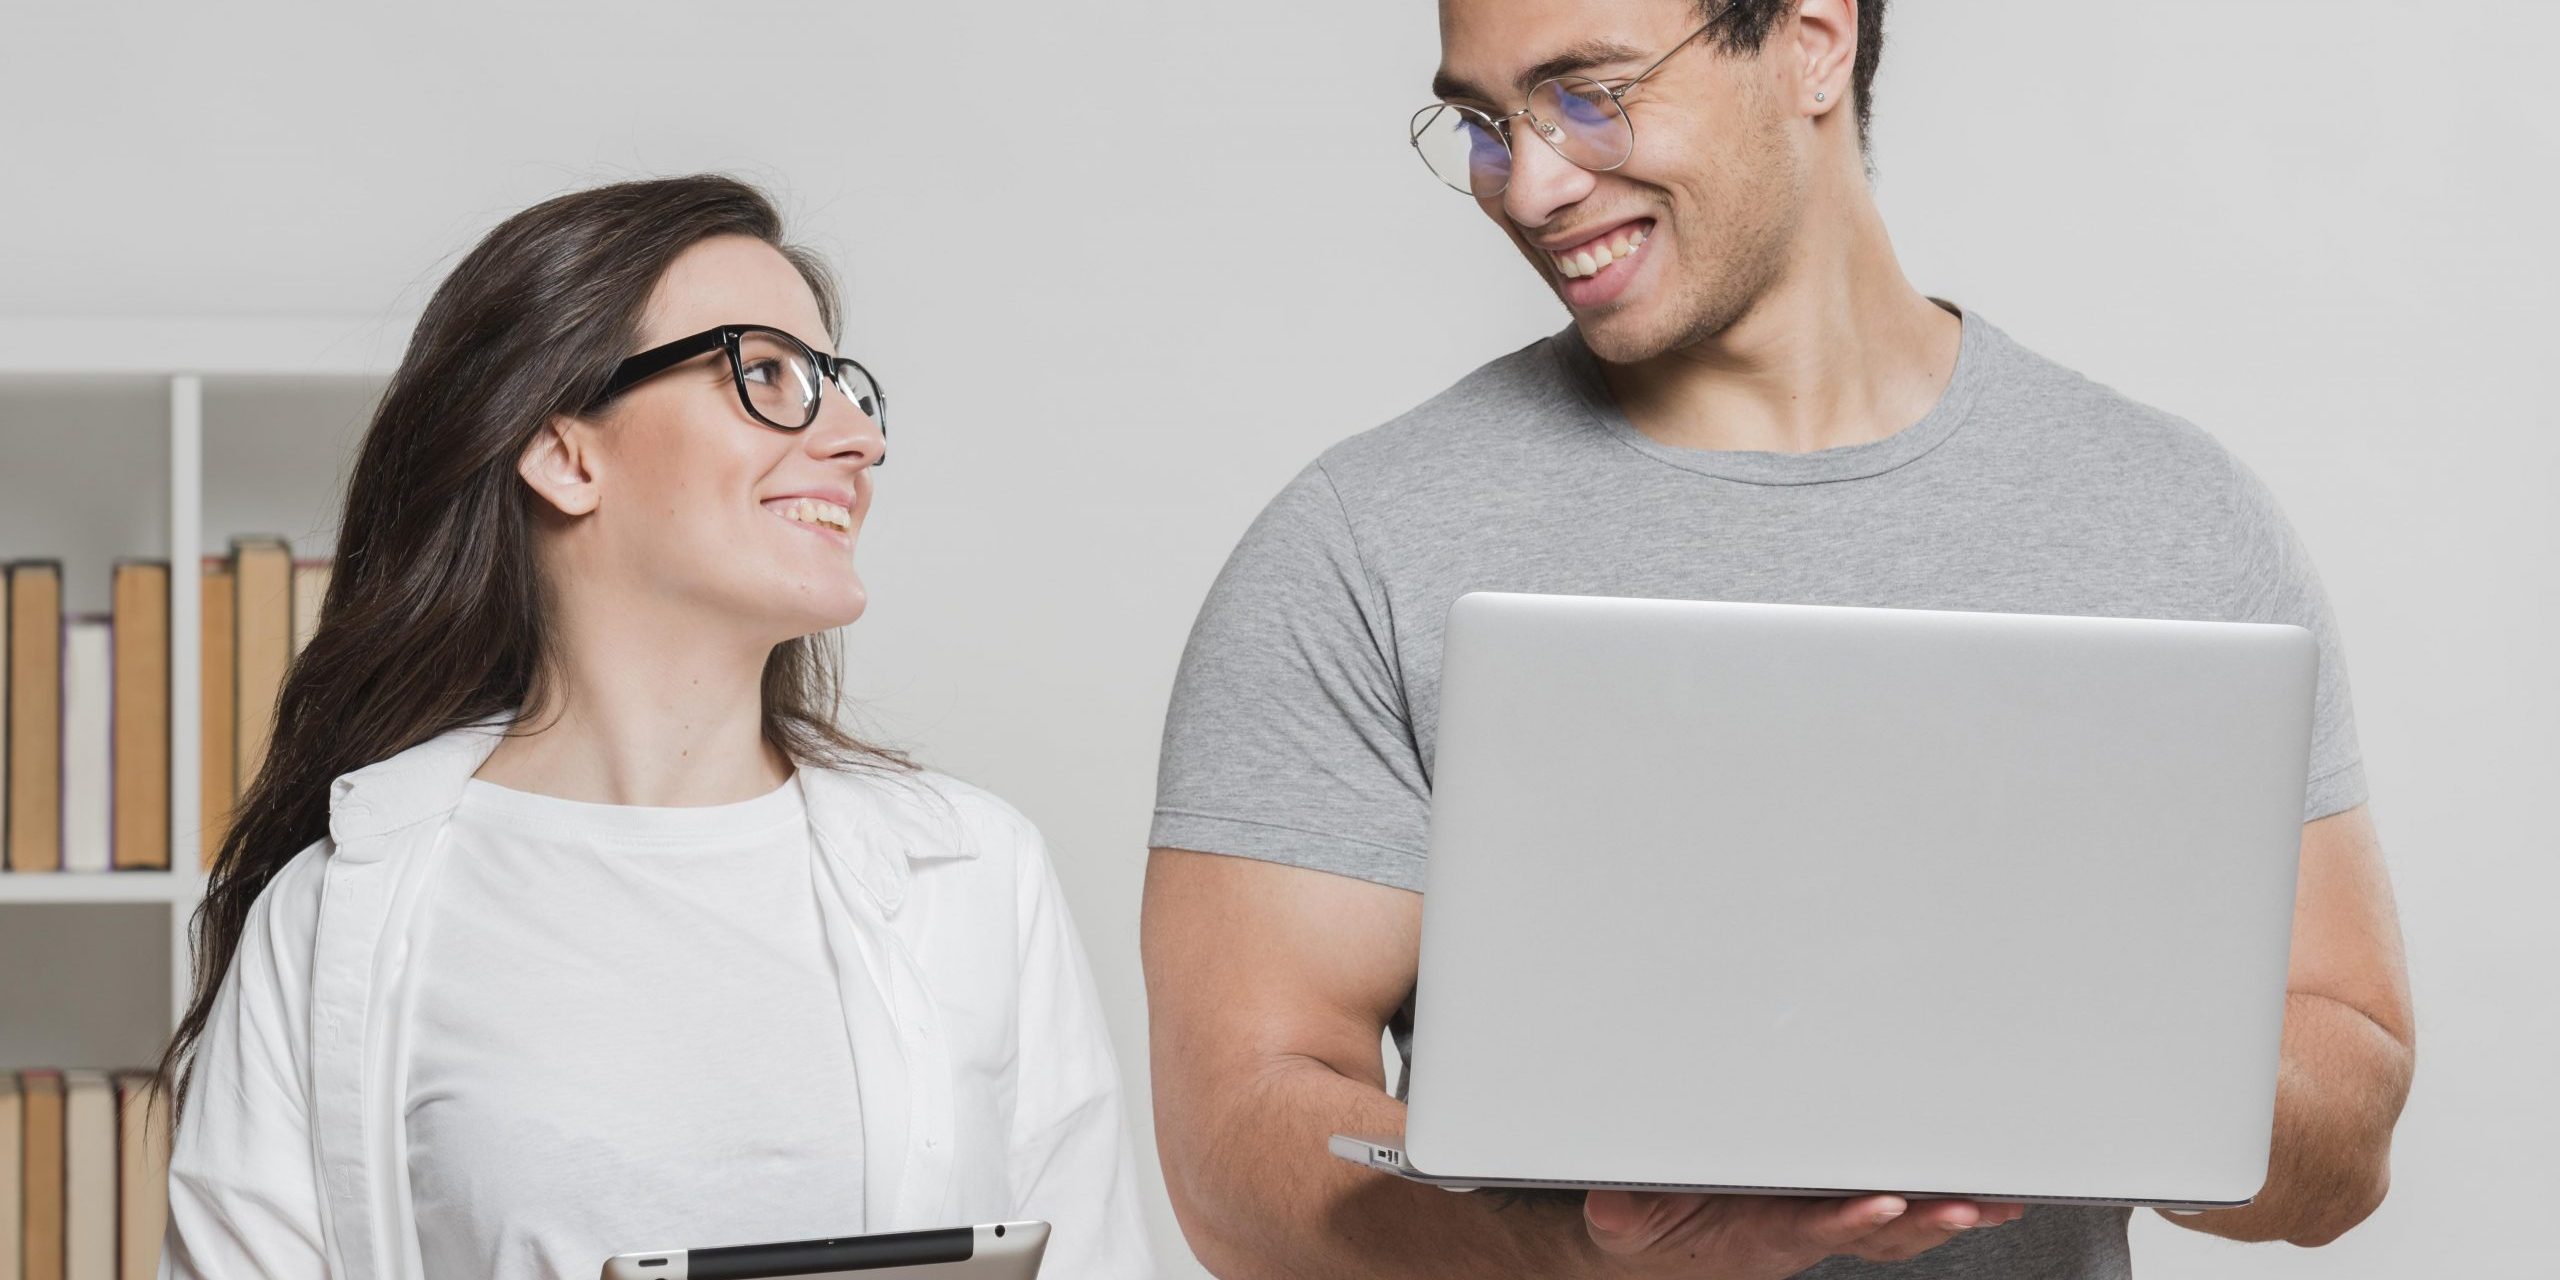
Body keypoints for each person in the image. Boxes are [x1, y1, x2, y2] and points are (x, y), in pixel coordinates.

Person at [1143, 1, 2414, 1276]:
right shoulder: (1357, 547)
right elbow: (1233, 1148)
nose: (1527, 184)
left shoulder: (2167, 519)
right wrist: (1613, 1256)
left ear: (1812, 41)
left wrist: (2048, 1049)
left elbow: (2343, 1132)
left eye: (1587, 93)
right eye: (1483, 120)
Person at [157, 175, 1153, 1280]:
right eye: (766, 372)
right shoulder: (332, 913)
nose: (858, 439)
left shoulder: (974, 874)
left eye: (842, 386)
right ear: (565, 453)